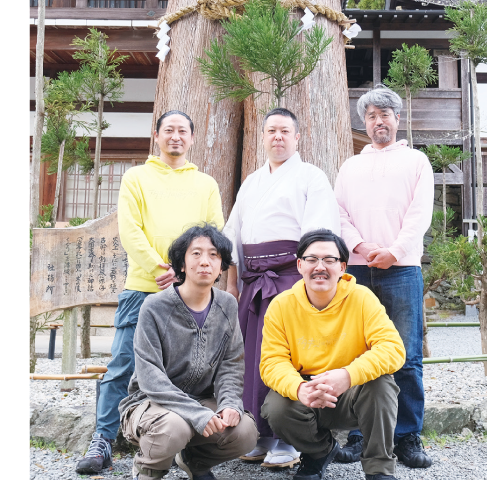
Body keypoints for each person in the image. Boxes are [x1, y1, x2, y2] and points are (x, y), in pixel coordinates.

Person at [76, 111, 225, 474]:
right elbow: (130, 229)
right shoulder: (136, 177)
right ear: (156, 135)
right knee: (123, 363)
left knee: (192, 368)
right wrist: (162, 268)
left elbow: (214, 231)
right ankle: (103, 439)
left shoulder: (205, 183)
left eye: (183, 131)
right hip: (144, 287)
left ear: (192, 138)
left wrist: (186, 274)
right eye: (169, 130)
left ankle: (189, 445)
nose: (175, 137)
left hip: (190, 293)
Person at [223, 108, 341, 468]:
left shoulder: (311, 177)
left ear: (297, 137)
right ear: (263, 137)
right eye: (271, 130)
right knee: (252, 357)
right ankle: (258, 435)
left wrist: (310, 284)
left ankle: (289, 441)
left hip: (291, 278)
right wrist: (232, 286)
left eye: (285, 131)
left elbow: (318, 237)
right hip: (253, 282)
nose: (278, 137)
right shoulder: (252, 182)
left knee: (289, 357)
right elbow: (233, 237)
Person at [333, 84, 435, 468]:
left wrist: (393, 250)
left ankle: (408, 437)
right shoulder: (350, 166)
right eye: (372, 115)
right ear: (365, 121)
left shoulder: (416, 162)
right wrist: (359, 246)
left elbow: (419, 213)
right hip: (358, 269)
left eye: (385, 114)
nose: (379, 121)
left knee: (406, 355)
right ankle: (361, 435)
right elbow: (340, 211)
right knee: (360, 352)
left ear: (397, 118)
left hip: (402, 268)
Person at [259, 228, 406, 480]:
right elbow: (273, 361)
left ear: (342, 267)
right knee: (276, 407)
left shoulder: (362, 298)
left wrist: (348, 375)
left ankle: (379, 469)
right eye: (312, 259)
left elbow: (392, 349)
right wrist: (298, 388)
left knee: (382, 386)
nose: (320, 267)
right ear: (299, 265)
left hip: (353, 390)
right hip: (308, 390)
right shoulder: (281, 305)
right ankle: (319, 452)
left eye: (329, 260)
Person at [117, 224, 258, 480]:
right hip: (149, 402)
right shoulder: (154, 306)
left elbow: (231, 364)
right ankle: (148, 470)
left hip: (201, 399)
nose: (205, 261)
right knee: (174, 427)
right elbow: (150, 377)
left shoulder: (226, 304)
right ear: (181, 264)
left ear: (222, 266)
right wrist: (198, 414)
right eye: (196, 254)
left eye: (214, 255)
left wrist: (229, 404)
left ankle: (195, 462)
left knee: (245, 431)